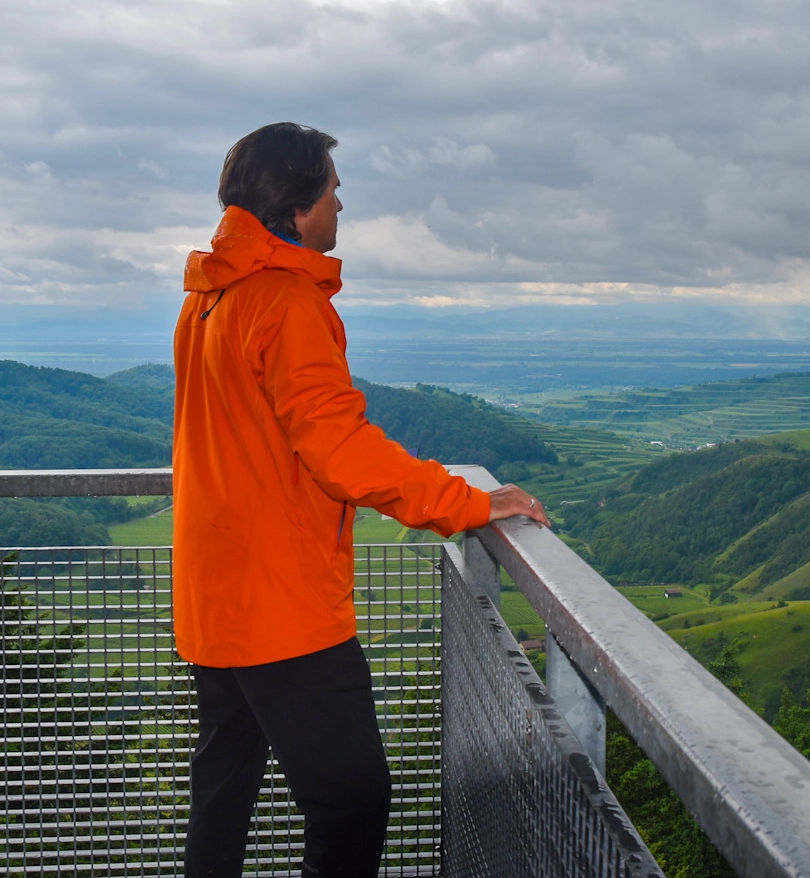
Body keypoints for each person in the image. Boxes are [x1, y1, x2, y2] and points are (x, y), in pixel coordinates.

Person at [171, 122, 548, 877]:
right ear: (300, 203)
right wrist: (469, 502)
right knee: (354, 799)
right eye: (335, 190)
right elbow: (340, 452)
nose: (342, 205)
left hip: (216, 598)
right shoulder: (284, 301)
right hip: (283, 604)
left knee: (223, 795)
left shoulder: (209, 301)